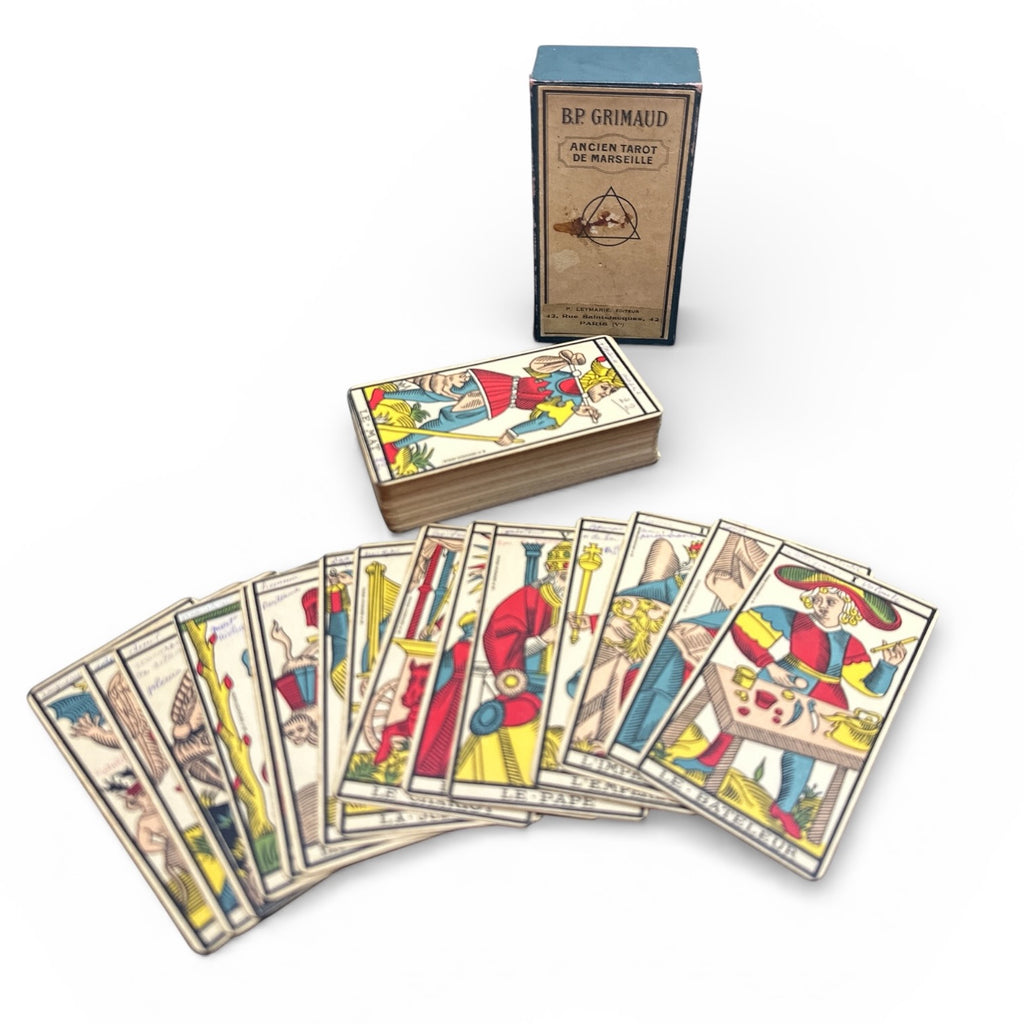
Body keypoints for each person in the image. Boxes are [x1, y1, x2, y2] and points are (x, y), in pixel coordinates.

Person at [671, 566, 906, 839]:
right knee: (742, 714)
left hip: (827, 699)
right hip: (782, 678)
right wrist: (768, 665)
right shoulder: (792, 618)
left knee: (805, 752)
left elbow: (869, 687)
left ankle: (783, 807)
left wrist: (888, 666)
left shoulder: (851, 643)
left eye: (831, 601)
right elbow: (743, 626)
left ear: (848, 609)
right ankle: (709, 760)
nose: (822, 606)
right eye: (817, 599)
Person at [372, 350, 625, 453]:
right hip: (499, 396)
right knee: (445, 422)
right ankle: (396, 445)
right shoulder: (569, 392)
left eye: (610, 392)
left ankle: (383, 398)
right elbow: (543, 419)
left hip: (496, 382)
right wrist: (514, 432)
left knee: (436, 396)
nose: (605, 393)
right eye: (605, 387)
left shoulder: (569, 391)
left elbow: (545, 414)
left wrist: (576, 409)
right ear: (593, 379)